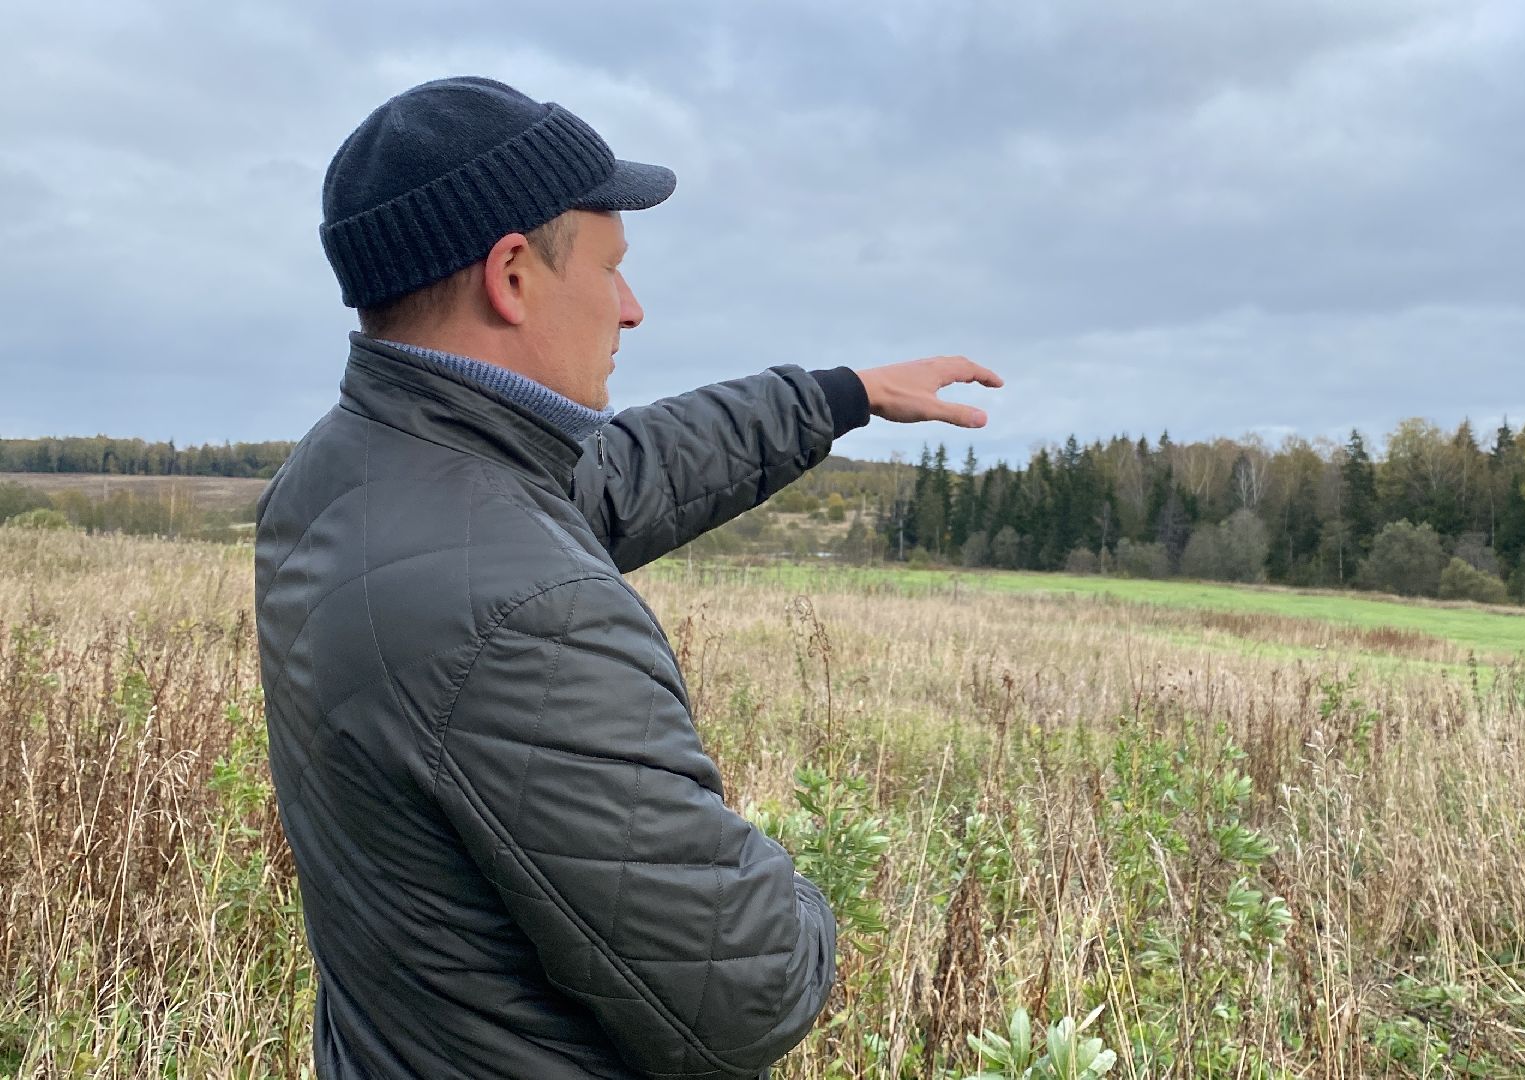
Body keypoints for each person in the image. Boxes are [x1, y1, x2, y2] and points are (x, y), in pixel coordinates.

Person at [255, 75, 1001, 1079]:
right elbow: (748, 985)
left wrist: (840, 395)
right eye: (612, 269)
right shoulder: (518, 614)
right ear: (511, 276)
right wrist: (797, 888)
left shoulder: (349, 472)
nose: (634, 309)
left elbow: (616, 475)